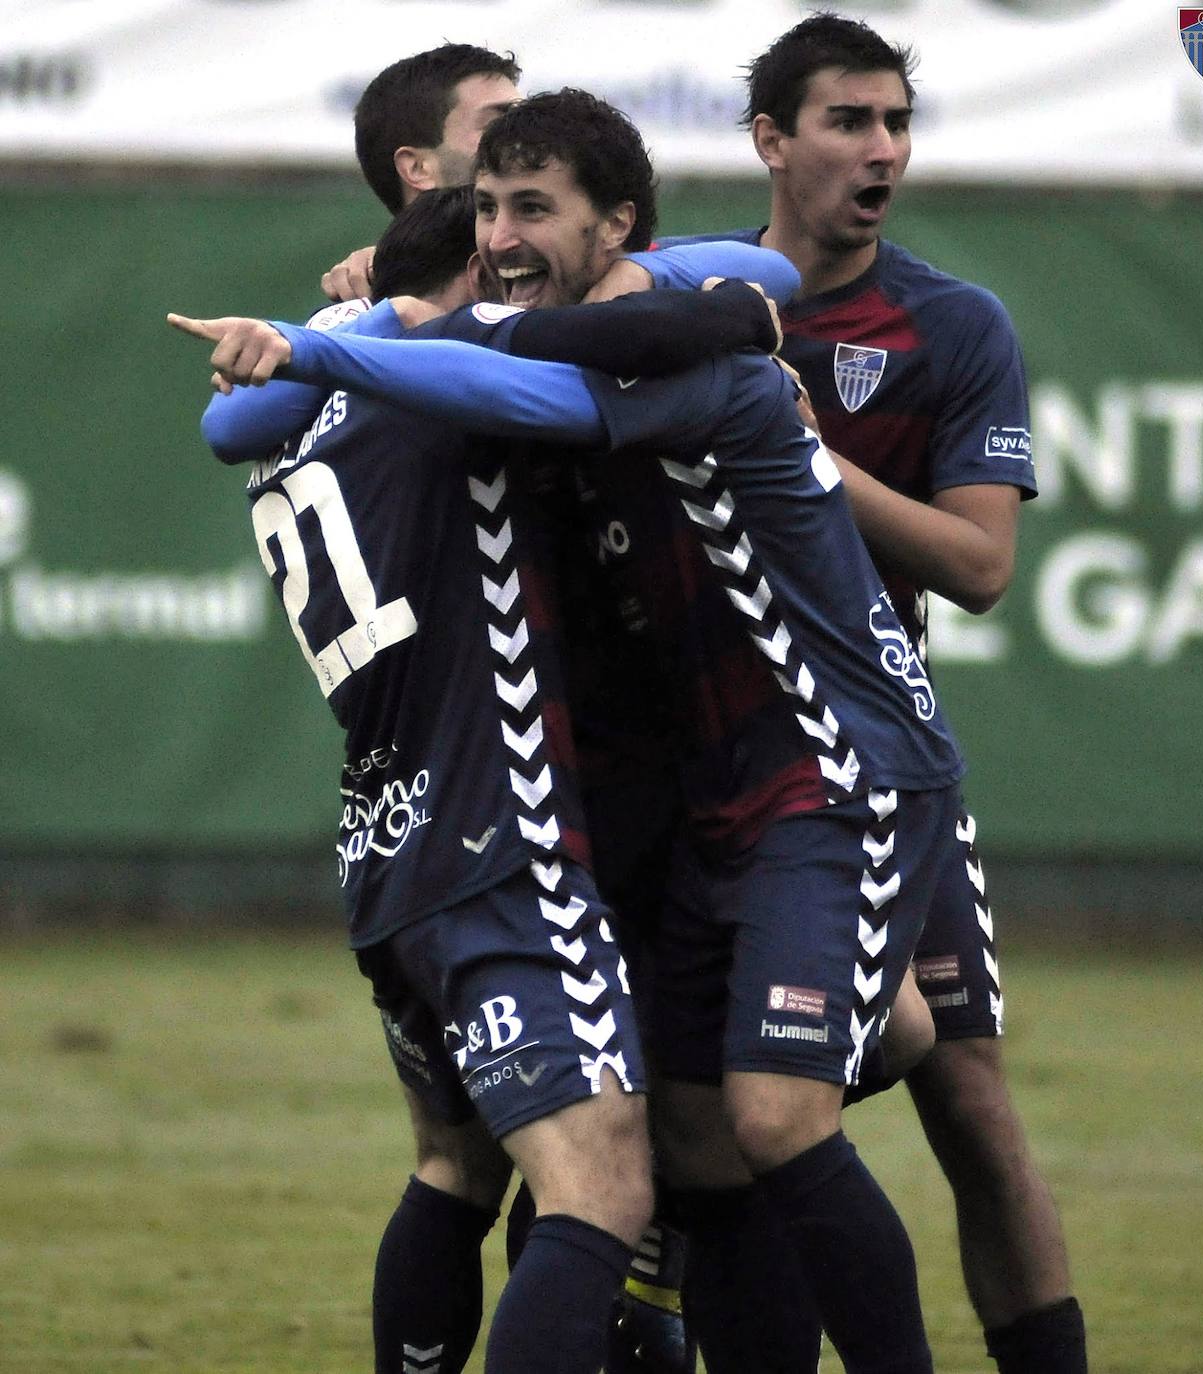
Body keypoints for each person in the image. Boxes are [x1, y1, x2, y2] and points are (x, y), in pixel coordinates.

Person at [172, 87, 976, 1374]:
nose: (501, 235)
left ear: (620, 230)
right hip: (600, 816)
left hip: (831, 776)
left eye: (530, 208)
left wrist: (339, 334)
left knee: (714, 1133)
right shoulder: (503, 360)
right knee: (663, 1160)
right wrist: (390, 319)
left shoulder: (684, 356)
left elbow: (723, 290)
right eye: (485, 208)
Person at [651, 13, 1086, 1374]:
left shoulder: (952, 322)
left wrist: (804, 454)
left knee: (964, 1094)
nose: (882, 148)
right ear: (772, 141)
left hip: (870, 761)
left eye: (897, 121)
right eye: (849, 121)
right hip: (696, 764)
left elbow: (979, 565)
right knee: (712, 1126)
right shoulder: (676, 306)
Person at [321, 42, 521, 303]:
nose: (526, 136)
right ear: (418, 168)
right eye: (498, 124)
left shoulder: (565, 281)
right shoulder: (357, 323)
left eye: (524, 118)